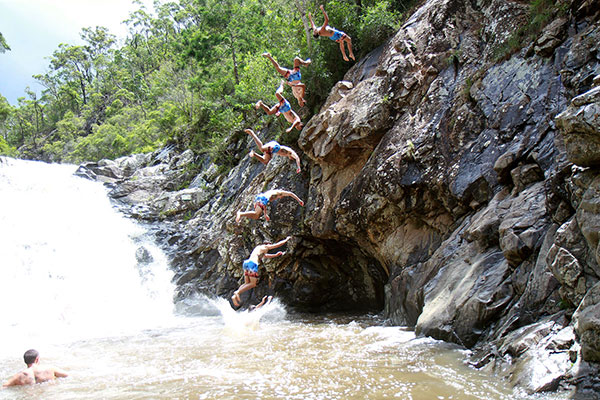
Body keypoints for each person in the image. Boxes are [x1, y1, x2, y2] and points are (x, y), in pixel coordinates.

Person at [232, 238, 291, 307]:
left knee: (247, 283)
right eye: (269, 245)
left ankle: (235, 295)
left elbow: (266, 256)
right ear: (267, 244)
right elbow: (277, 245)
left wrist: (276, 255)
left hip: (246, 263)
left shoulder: (259, 249)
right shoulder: (265, 246)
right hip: (252, 264)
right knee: (253, 284)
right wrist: (286, 239)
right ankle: (237, 292)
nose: (270, 247)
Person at [2, 349, 68, 387]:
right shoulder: (50, 369)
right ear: (37, 359)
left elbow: (4, 386)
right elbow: (66, 375)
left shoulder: (19, 376)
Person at [236, 189, 304, 223]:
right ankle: (241, 213)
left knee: (256, 216)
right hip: (261, 200)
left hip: (259, 199)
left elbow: (264, 205)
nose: (280, 198)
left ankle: (242, 215)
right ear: (280, 195)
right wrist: (299, 200)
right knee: (256, 213)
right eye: (281, 197)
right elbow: (290, 194)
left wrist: (265, 214)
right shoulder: (277, 193)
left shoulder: (273, 193)